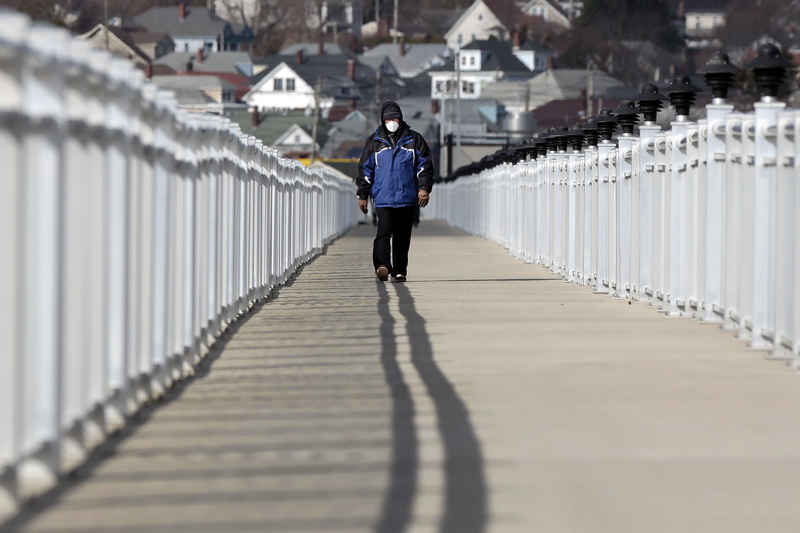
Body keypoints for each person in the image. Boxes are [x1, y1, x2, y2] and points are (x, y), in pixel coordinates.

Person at [356, 100, 433, 282]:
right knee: (383, 231)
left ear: (401, 119)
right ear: (382, 120)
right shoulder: (374, 142)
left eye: (395, 118)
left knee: (402, 236)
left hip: (407, 197)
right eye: (388, 118)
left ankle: (399, 271)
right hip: (383, 197)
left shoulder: (414, 140)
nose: (392, 122)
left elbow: (425, 167)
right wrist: (363, 194)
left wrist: (423, 189)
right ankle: (382, 265)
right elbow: (365, 169)